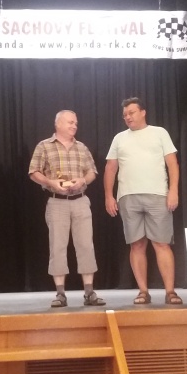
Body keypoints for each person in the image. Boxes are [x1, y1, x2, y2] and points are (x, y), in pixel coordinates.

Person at [104, 97, 183, 305]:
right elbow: (110, 168)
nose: (127, 117)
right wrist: (109, 196)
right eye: (125, 115)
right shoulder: (119, 138)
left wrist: (173, 190)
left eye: (131, 112)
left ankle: (170, 292)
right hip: (128, 196)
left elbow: (172, 163)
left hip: (158, 195)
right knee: (136, 244)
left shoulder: (159, 133)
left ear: (143, 112)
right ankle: (143, 291)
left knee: (161, 243)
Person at [29, 110, 105, 308]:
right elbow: (33, 172)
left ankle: (89, 292)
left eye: (76, 123)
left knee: (86, 245)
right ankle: (60, 293)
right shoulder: (44, 146)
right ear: (58, 124)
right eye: (70, 122)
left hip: (80, 200)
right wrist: (50, 182)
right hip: (57, 202)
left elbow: (92, 172)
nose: (74, 126)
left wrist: (83, 180)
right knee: (57, 246)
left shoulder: (81, 147)